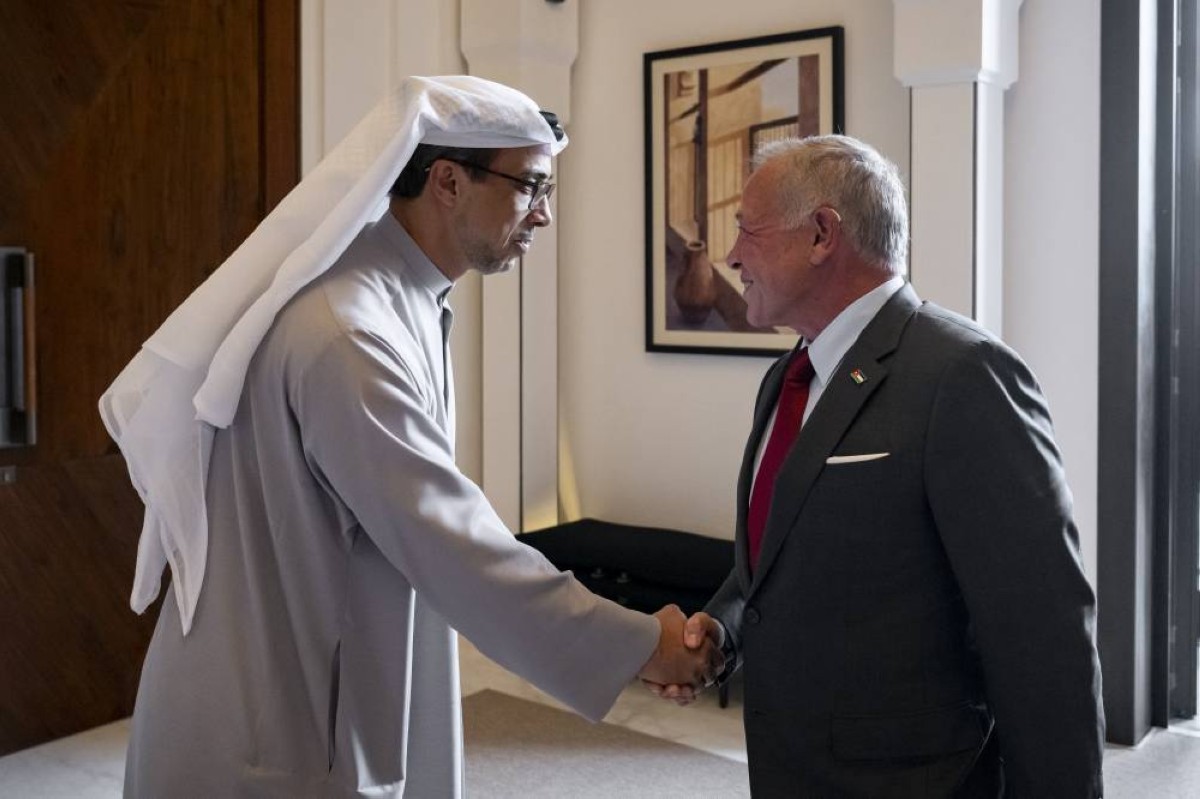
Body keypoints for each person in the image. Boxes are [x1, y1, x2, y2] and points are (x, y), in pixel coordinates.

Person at [101, 76, 719, 798]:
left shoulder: (393, 296)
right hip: (272, 723)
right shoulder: (348, 332)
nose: (545, 215)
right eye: (530, 186)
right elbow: (454, 545)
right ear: (449, 182)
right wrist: (643, 644)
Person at [650, 135, 1105, 797]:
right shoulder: (786, 377)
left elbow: (1044, 636)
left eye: (748, 229)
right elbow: (777, 559)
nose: (732, 255)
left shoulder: (963, 374)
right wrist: (723, 629)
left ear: (821, 234)